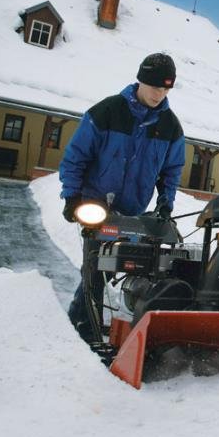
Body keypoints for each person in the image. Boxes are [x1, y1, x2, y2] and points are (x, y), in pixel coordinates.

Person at [59, 53, 186, 343]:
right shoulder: (107, 111)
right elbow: (75, 158)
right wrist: (71, 197)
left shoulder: (170, 126)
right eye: (156, 87)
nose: (160, 94)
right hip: (97, 205)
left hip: (133, 214)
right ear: (141, 81)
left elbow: (172, 170)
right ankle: (82, 331)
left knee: (142, 267)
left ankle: (138, 328)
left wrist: (166, 202)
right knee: (95, 272)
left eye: (166, 89)